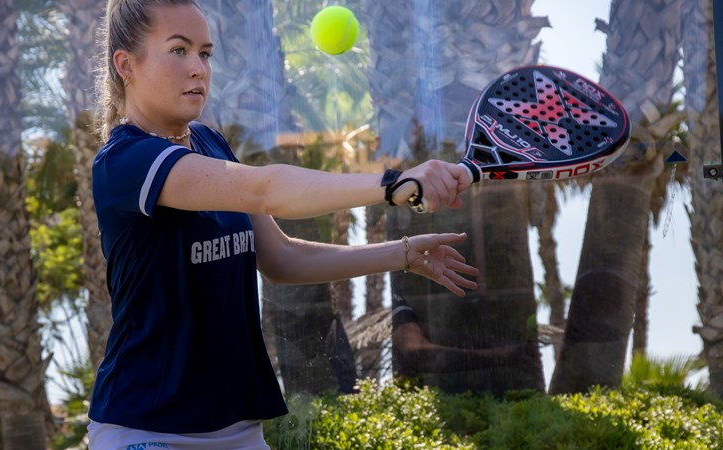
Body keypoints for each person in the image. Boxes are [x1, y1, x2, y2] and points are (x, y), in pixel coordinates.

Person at [87, 0, 478, 448]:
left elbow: (281, 257)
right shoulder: (125, 163)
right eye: (178, 50)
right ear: (125, 65)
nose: (198, 68)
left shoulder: (211, 143)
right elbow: (266, 189)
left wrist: (403, 254)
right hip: (143, 428)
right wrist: (393, 184)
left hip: (238, 429)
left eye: (206, 53)